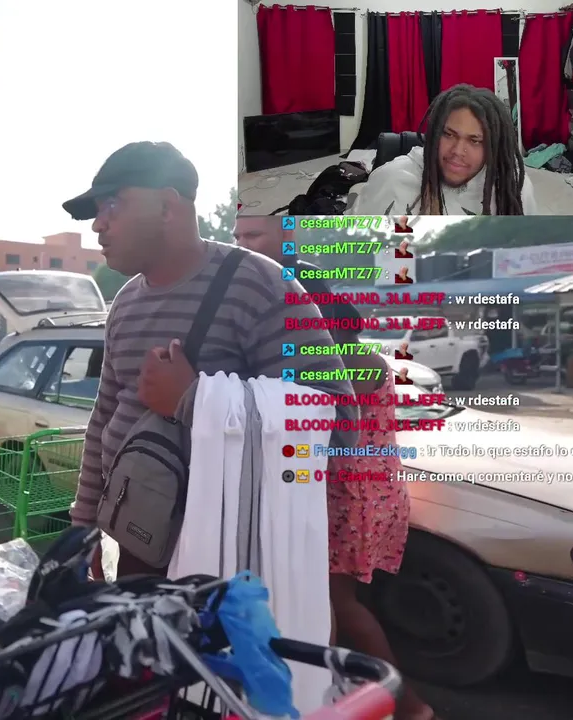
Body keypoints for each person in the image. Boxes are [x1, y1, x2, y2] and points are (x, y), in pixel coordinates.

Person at [61, 141, 360, 579]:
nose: (98, 225)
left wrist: (195, 400)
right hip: (138, 543)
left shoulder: (261, 286)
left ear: (167, 206)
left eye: (111, 205)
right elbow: (104, 418)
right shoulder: (124, 304)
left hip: (229, 563)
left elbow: (338, 425)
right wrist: (83, 525)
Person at [323, 302, 432, 720]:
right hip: (376, 492)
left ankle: (409, 704)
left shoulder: (343, 363)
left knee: (340, 603)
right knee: (347, 601)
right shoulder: (363, 355)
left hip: (353, 500)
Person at [354, 84, 537, 215]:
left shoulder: (512, 186)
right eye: (449, 134)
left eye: (474, 141)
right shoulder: (391, 180)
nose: (457, 150)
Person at [233, 214, 333, 297]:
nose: (240, 245)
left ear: (286, 235)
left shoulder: (308, 280)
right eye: (237, 237)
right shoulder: (234, 277)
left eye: (253, 235)